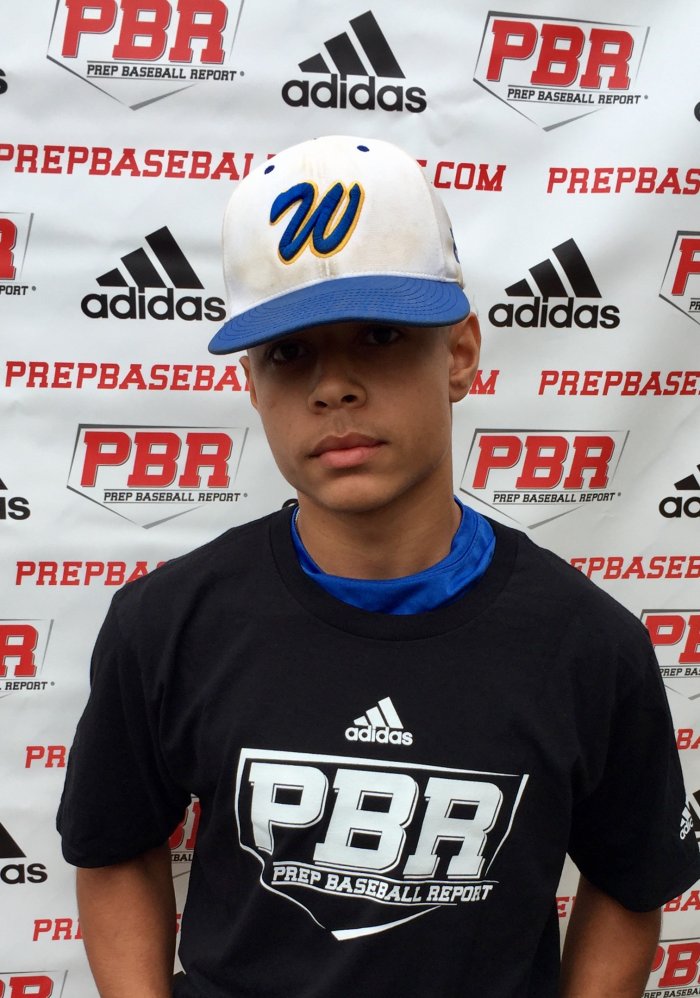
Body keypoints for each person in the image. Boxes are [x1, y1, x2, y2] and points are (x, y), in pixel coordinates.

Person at [57, 134, 700, 998]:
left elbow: (629, 882)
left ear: (460, 353)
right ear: (251, 384)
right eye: (289, 353)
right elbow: (112, 848)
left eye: (381, 335)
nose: (334, 387)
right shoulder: (167, 623)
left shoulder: (589, 644)